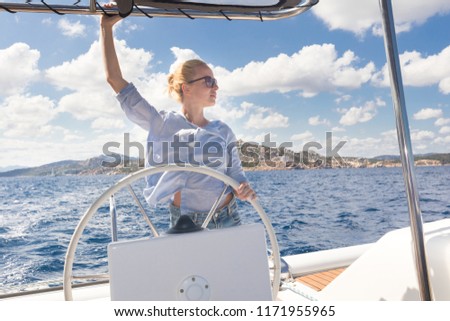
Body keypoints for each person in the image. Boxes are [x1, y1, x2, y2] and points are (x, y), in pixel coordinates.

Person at [100, 10, 256, 229]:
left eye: (216, 81)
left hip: (229, 217)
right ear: (187, 88)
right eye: (209, 81)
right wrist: (105, 28)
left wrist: (243, 187)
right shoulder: (162, 124)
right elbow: (114, 80)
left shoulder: (224, 130)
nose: (216, 86)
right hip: (187, 222)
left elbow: (236, 175)